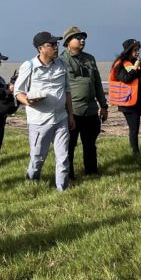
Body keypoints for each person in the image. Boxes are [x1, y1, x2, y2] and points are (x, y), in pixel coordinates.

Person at [14, 31, 76, 192]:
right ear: (40, 48)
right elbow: (17, 92)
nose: (56, 47)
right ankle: (32, 183)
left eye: (56, 44)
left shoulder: (62, 64)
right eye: (51, 45)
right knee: (38, 157)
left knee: (63, 157)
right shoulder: (29, 66)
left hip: (61, 118)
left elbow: (67, 91)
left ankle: (62, 189)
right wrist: (27, 101)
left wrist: (70, 115)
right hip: (39, 120)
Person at [60, 26, 108, 178]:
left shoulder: (89, 58)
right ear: (68, 42)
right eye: (78, 38)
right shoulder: (61, 60)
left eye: (83, 38)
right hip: (72, 111)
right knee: (69, 145)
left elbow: (97, 83)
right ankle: (68, 175)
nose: (82, 40)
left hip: (91, 109)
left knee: (90, 144)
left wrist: (103, 105)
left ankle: (91, 172)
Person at [109, 38, 141, 158]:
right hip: (128, 103)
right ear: (128, 51)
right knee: (134, 129)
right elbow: (126, 78)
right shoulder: (120, 64)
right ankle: (136, 154)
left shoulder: (140, 62)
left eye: (138, 50)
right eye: (135, 50)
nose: (138, 52)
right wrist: (136, 66)